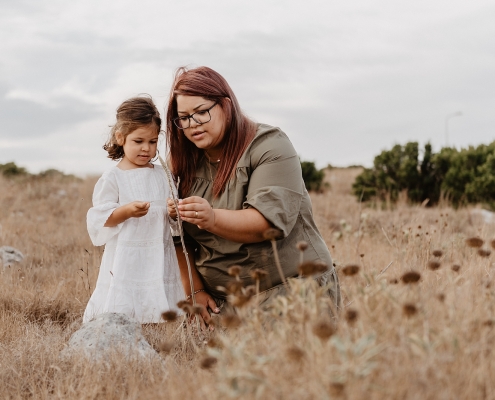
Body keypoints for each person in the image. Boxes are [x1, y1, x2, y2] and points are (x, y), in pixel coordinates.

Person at [166, 66, 340, 326]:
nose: (193, 124)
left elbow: (266, 225)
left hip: (290, 290)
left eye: (202, 112)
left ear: (225, 105)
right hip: (220, 303)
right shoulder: (182, 162)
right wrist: (194, 290)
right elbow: (176, 237)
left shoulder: (269, 145)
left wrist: (211, 218)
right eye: (184, 117)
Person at [83, 96, 185, 324]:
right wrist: (126, 211)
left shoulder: (163, 174)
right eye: (138, 141)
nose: (146, 148)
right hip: (128, 254)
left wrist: (172, 211)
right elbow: (100, 219)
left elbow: (175, 218)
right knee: (127, 298)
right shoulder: (114, 177)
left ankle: (158, 323)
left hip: (158, 249)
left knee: (157, 287)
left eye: (152, 141)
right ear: (120, 137)